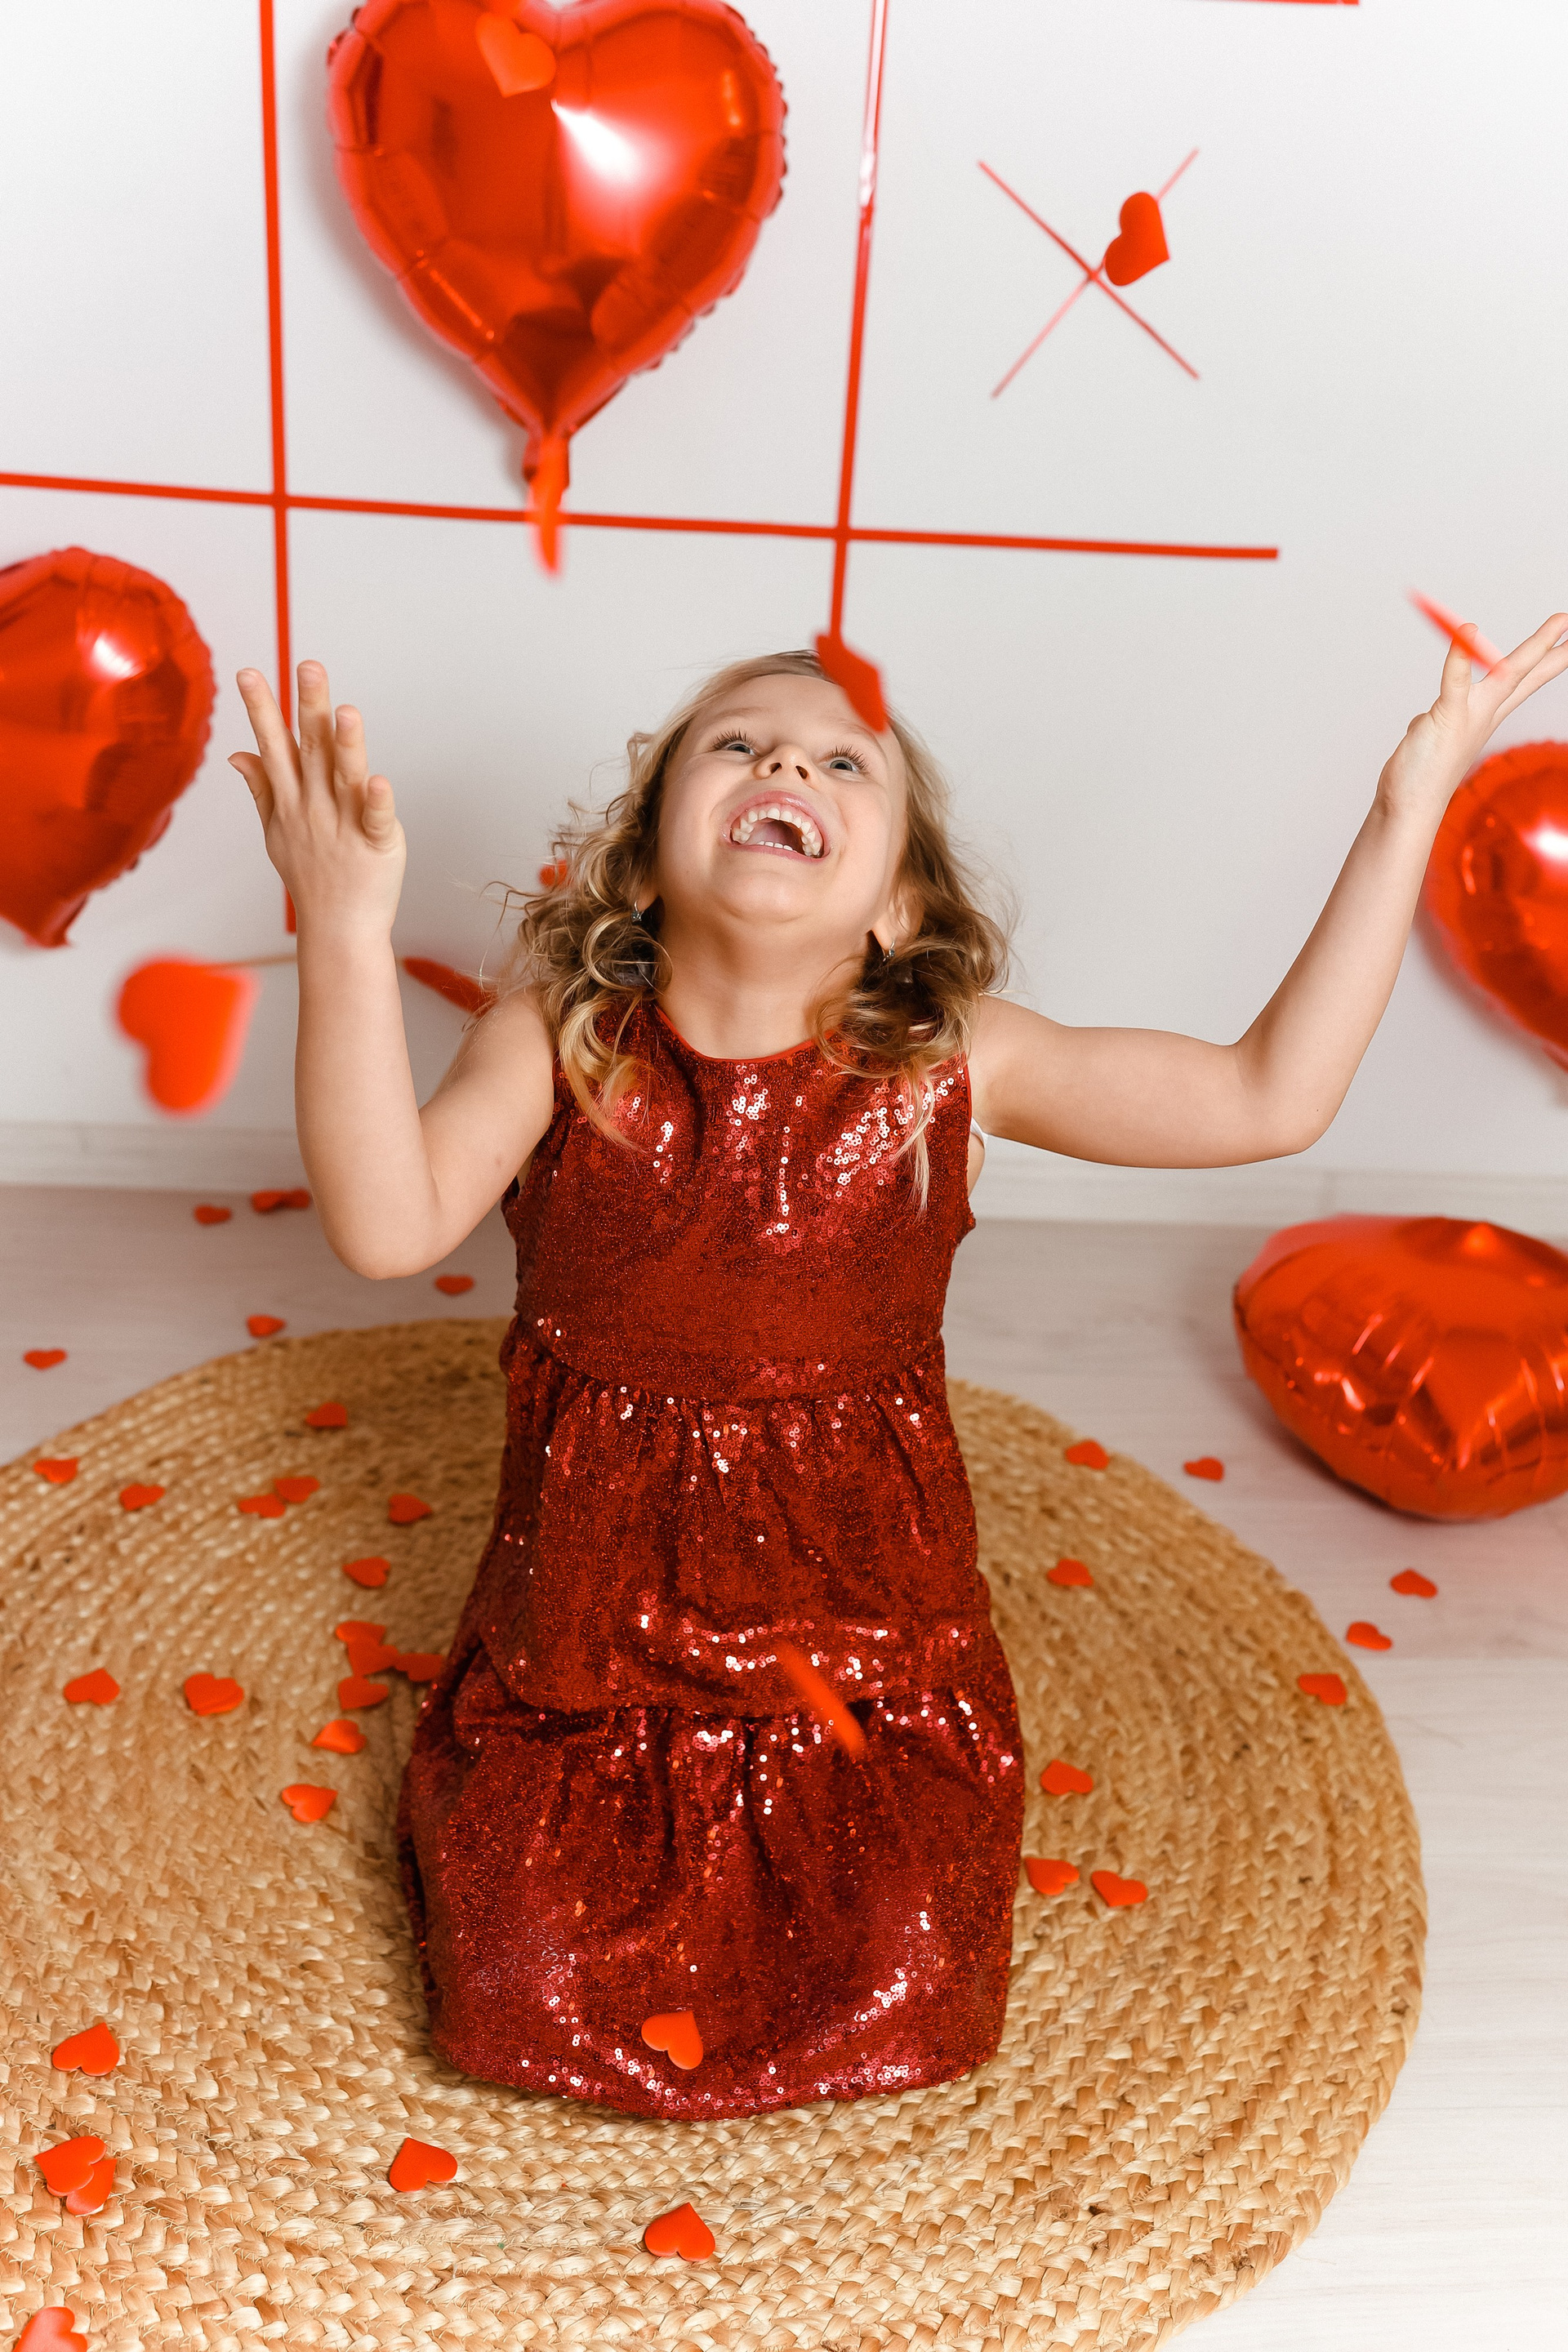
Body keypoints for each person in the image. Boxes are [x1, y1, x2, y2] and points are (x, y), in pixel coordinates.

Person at [231, 617, 1567, 2117]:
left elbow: (1269, 1098)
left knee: (908, 1978)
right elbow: (386, 1225)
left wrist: (1407, 807)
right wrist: (342, 929)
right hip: (589, 1664)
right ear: (647, 860)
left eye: (842, 761)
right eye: (738, 743)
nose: (787, 763)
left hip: (865, 1676)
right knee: (517, 1983)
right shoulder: (561, 1034)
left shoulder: (957, 1060)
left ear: (899, 906)